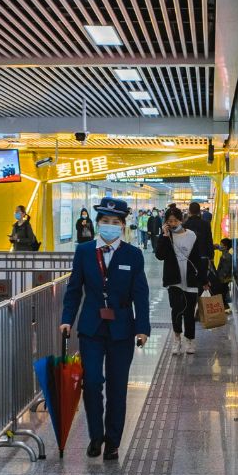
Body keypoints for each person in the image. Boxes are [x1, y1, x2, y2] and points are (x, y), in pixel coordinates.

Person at [59, 197, 151, 461]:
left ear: (123, 225)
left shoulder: (133, 255)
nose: (110, 226)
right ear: (98, 223)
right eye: (105, 221)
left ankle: (113, 441)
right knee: (93, 383)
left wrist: (142, 327)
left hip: (122, 329)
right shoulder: (85, 251)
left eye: (115, 222)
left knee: (117, 386)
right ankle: (95, 436)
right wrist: (67, 317)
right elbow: (74, 289)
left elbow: (140, 294)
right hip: (91, 327)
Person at [155, 207, 203, 354]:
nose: (173, 223)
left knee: (189, 312)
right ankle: (177, 340)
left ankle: (189, 340)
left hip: (190, 279)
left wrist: (203, 279)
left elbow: (198, 259)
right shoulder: (166, 237)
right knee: (176, 310)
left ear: (181, 220)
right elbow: (159, 255)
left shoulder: (191, 235)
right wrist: (164, 236)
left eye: (175, 220)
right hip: (173, 279)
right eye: (170, 221)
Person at [183, 201, 216, 278]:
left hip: (189, 258)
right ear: (199, 211)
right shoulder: (206, 224)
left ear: (189, 211)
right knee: (201, 279)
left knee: (190, 279)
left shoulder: (185, 225)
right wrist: (211, 257)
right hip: (203, 256)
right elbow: (209, 241)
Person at [215, 237, 235, 311]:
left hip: (223, 279)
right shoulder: (224, 255)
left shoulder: (226, 256)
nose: (219, 246)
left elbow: (226, 269)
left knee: (222, 294)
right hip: (222, 278)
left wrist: (220, 277)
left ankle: (224, 308)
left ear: (225, 247)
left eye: (221, 245)